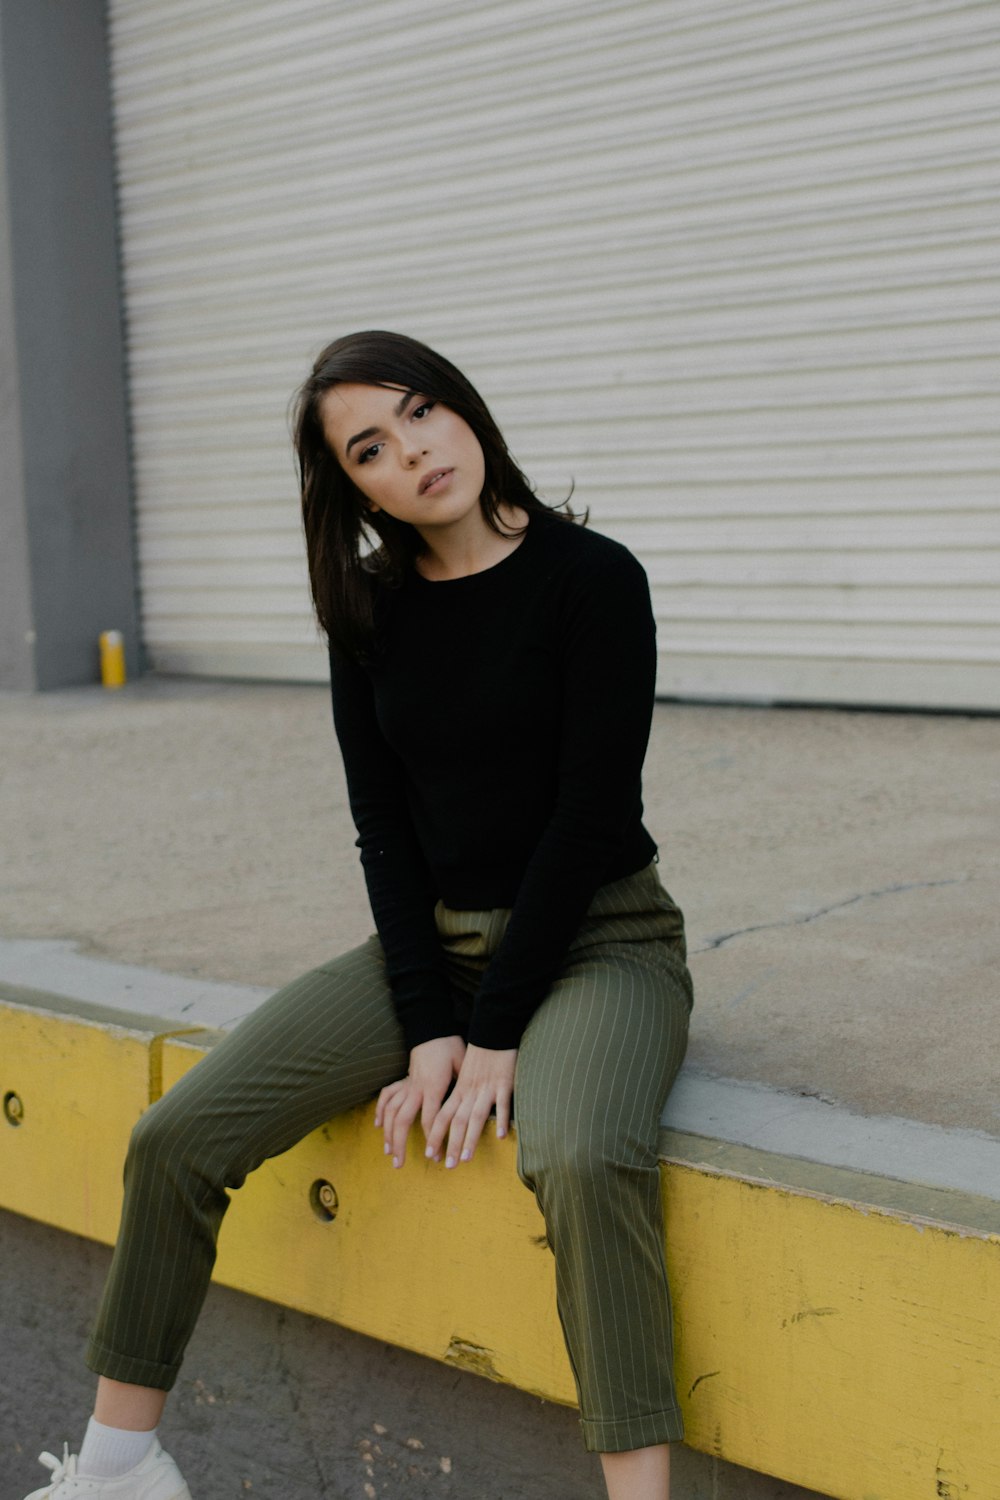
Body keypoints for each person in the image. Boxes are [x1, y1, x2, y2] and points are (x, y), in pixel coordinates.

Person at [23, 331, 693, 1500]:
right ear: (356, 489)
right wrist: (431, 1020)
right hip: (436, 945)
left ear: (466, 411)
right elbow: (383, 830)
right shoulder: (372, 613)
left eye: (422, 412)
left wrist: (494, 1040)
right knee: (174, 1138)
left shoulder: (593, 579)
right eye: (372, 448)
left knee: (580, 1156)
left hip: (600, 940)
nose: (415, 453)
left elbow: (588, 821)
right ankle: (120, 1473)